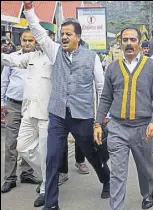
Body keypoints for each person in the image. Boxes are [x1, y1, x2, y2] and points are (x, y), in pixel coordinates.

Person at [23, 2, 110, 209]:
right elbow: (39, 32)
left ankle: (106, 178)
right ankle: (51, 204)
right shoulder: (55, 52)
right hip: (58, 115)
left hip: (82, 117)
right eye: (62, 33)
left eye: (68, 34)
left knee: (91, 154)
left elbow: (101, 88)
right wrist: (28, 9)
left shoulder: (92, 58)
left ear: (78, 37)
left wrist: (100, 119)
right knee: (52, 157)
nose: (63, 37)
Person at [94, 26, 153, 210]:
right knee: (117, 173)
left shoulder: (151, 66)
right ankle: (116, 207)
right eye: (125, 40)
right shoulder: (112, 67)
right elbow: (106, 98)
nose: (129, 43)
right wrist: (98, 122)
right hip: (118, 127)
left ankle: (147, 193)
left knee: (145, 169)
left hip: (144, 129)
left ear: (140, 43)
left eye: (133, 40)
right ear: (120, 42)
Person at [1, 31, 54, 207]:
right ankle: (49, 174)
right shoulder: (31, 56)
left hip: (47, 114)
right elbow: (10, 60)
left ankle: (47, 187)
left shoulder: (56, 56)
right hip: (27, 111)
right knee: (22, 147)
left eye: (39, 38)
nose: (36, 42)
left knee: (45, 151)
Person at [1, 30, 40, 194]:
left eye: (30, 40)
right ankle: (9, 178)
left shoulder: (40, 58)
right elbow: (4, 81)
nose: (27, 43)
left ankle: (27, 173)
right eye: (24, 40)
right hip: (14, 104)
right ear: (20, 41)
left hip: (32, 106)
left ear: (35, 42)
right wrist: (2, 102)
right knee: (11, 142)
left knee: (29, 141)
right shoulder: (13, 58)